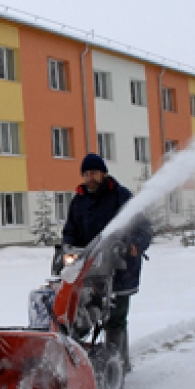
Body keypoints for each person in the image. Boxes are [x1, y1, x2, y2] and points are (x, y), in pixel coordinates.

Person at [61, 153, 153, 372]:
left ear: (103, 173)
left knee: (115, 317)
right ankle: (74, 361)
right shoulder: (79, 201)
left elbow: (143, 227)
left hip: (120, 269)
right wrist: (68, 247)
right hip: (88, 270)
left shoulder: (120, 196)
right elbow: (70, 231)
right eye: (86, 174)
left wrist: (135, 244)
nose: (90, 178)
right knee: (78, 313)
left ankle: (118, 365)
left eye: (94, 173)